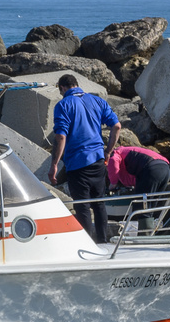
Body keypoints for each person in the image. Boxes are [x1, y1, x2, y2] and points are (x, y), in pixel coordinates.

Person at [46, 74, 121, 243]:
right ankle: (103, 242)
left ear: (62, 88)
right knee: (99, 203)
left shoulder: (63, 105)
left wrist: (54, 164)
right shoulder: (97, 101)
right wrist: (108, 151)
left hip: (77, 164)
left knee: (83, 206)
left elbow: (61, 137)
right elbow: (116, 126)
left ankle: (88, 244)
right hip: (98, 160)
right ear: (76, 85)